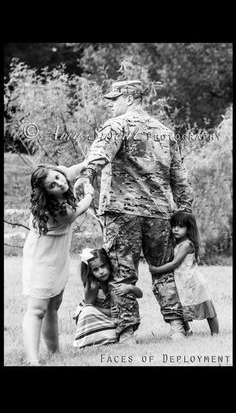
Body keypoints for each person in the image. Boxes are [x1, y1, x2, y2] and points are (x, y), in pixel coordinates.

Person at [73, 79, 194, 342]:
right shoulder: (164, 131)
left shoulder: (116, 125)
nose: (110, 105)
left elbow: (99, 154)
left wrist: (86, 176)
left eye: (114, 99)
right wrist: (184, 213)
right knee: (163, 269)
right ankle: (177, 328)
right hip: (160, 213)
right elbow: (181, 178)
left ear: (129, 98)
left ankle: (127, 333)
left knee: (121, 272)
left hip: (122, 212)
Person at [22, 162, 94, 365]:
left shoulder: (62, 178)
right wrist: (89, 192)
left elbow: (72, 171)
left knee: (54, 305)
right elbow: (75, 212)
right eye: (52, 184)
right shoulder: (55, 209)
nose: (59, 183)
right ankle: (33, 360)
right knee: (37, 309)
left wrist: (87, 166)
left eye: (58, 177)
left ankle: (54, 353)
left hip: (58, 256)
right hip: (42, 258)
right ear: (45, 192)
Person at [149, 211, 219, 336]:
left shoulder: (186, 244)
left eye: (181, 226)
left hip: (193, 281)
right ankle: (187, 331)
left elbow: (175, 264)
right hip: (183, 281)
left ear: (189, 228)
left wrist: (156, 270)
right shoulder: (178, 242)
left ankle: (215, 333)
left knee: (207, 308)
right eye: (174, 225)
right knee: (181, 306)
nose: (176, 229)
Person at [73, 247, 143, 348]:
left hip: (113, 317)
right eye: (96, 270)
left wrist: (130, 287)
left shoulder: (116, 280)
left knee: (126, 301)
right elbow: (88, 308)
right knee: (87, 312)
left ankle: (118, 334)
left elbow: (140, 295)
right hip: (98, 317)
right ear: (91, 272)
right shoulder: (93, 285)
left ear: (109, 265)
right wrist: (108, 312)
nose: (101, 272)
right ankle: (97, 337)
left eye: (103, 266)